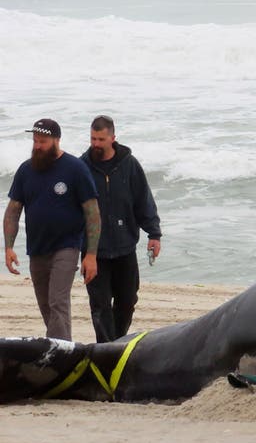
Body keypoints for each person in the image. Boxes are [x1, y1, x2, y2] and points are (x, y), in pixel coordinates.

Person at [4, 119, 100, 340]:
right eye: (35, 141)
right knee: (46, 304)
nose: (37, 146)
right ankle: (62, 345)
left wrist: (91, 254)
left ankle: (58, 354)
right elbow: (13, 210)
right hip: (37, 248)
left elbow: (92, 212)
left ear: (57, 140)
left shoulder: (75, 168)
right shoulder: (26, 170)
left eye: (43, 142)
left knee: (58, 300)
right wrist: (8, 247)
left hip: (66, 246)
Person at [80, 115, 163, 343]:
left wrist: (154, 234)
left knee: (127, 301)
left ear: (113, 138)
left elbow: (143, 201)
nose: (95, 144)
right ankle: (107, 349)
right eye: (92, 138)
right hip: (94, 252)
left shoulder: (129, 164)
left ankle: (115, 343)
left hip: (125, 248)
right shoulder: (82, 167)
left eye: (101, 139)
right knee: (100, 306)